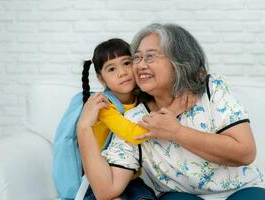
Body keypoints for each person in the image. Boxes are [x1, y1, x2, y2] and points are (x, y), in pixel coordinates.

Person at [77, 24, 265, 200]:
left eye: (150, 56)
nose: (140, 65)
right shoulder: (134, 120)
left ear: (179, 61)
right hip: (178, 195)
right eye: (136, 58)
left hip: (242, 189)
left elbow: (245, 152)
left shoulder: (211, 88)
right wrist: (83, 127)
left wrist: (176, 132)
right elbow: (106, 191)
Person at [79, 38, 195, 200]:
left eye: (126, 63)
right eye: (111, 69)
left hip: (131, 178)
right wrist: (174, 109)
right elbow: (133, 134)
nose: (122, 72)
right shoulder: (105, 105)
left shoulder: (141, 98)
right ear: (101, 79)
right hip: (102, 178)